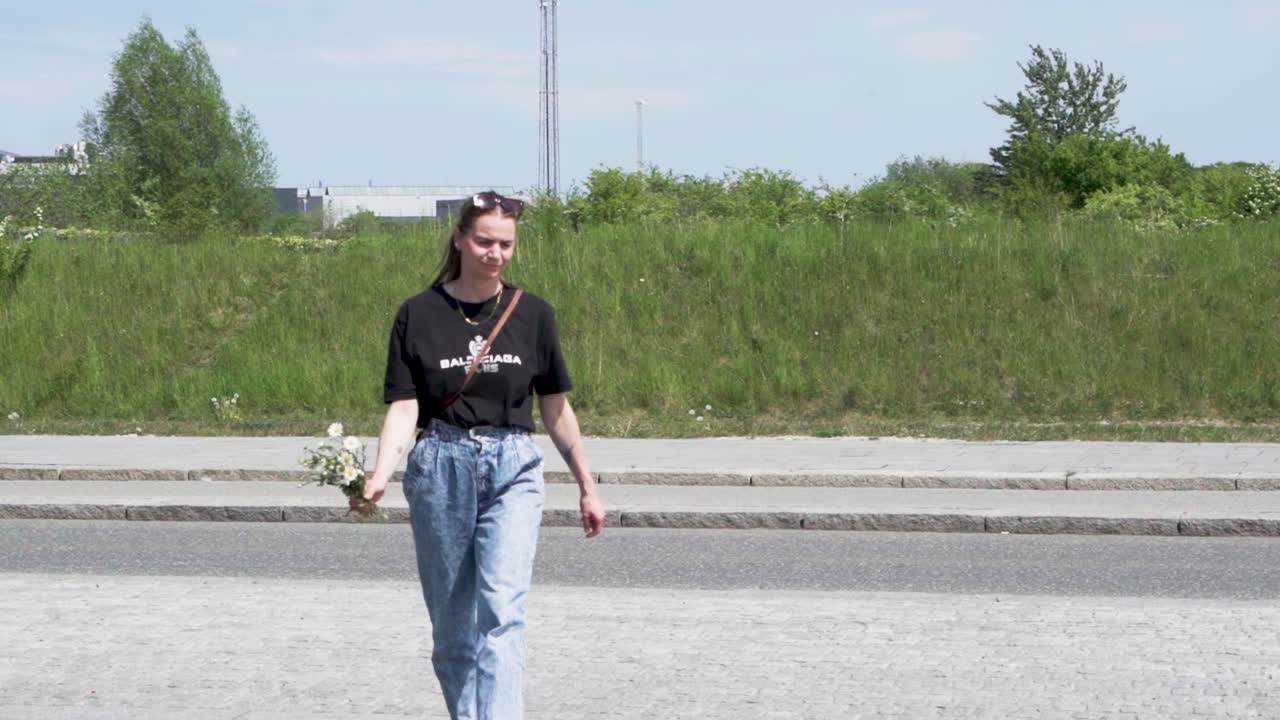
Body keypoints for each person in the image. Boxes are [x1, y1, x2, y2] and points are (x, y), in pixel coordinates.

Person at [359, 190, 606, 719]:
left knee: (503, 614)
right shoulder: (418, 314)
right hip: (440, 466)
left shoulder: (533, 313)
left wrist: (587, 484)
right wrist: (381, 473)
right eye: (484, 241)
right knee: (453, 630)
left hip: (513, 464)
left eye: (505, 244)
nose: (495, 253)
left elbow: (556, 407)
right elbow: (404, 408)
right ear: (460, 239)